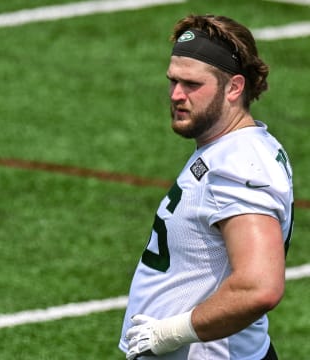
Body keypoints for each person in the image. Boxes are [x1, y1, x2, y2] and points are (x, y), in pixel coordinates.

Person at [119, 14, 294, 360]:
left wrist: (170, 332)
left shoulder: (239, 164)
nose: (176, 95)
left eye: (192, 85)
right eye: (172, 81)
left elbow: (260, 287)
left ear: (234, 87)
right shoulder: (228, 149)